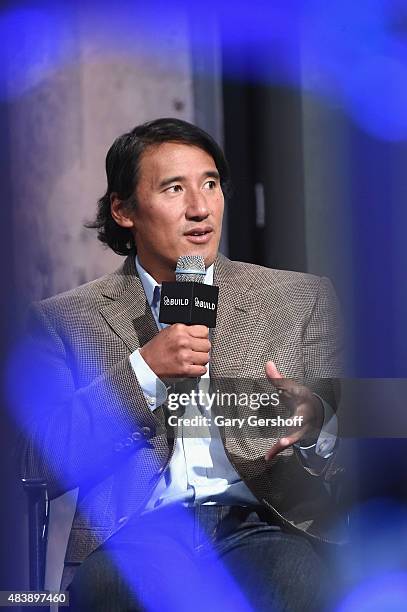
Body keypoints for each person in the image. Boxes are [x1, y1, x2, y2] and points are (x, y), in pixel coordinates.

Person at [16, 118, 345, 611]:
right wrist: (143, 374)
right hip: (133, 537)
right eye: (174, 188)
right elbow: (40, 461)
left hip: (265, 529)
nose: (200, 209)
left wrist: (320, 424)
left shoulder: (298, 298)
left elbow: (369, 453)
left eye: (210, 185)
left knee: (296, 582)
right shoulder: (65, 320)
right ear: (123, 209)